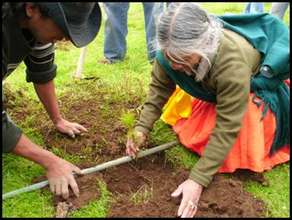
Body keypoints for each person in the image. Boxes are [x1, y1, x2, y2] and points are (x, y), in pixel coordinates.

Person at [126, 3, 289, 218]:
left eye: (183, 58)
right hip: (215, 86)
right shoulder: (171, 53)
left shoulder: (230, 64)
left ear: (204, 46)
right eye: (170, 56)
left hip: (247, 92)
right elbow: (159, 88)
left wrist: (197, 180)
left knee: (237, 142)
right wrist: (141, 128)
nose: (174, 65)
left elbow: (228, 124)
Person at [2, 3, 102, 199]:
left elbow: (42, 70)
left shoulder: (37, 27)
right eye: (62, 27)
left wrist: (58, 119)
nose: (66, 37)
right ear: (32, 8)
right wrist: (51, 162)